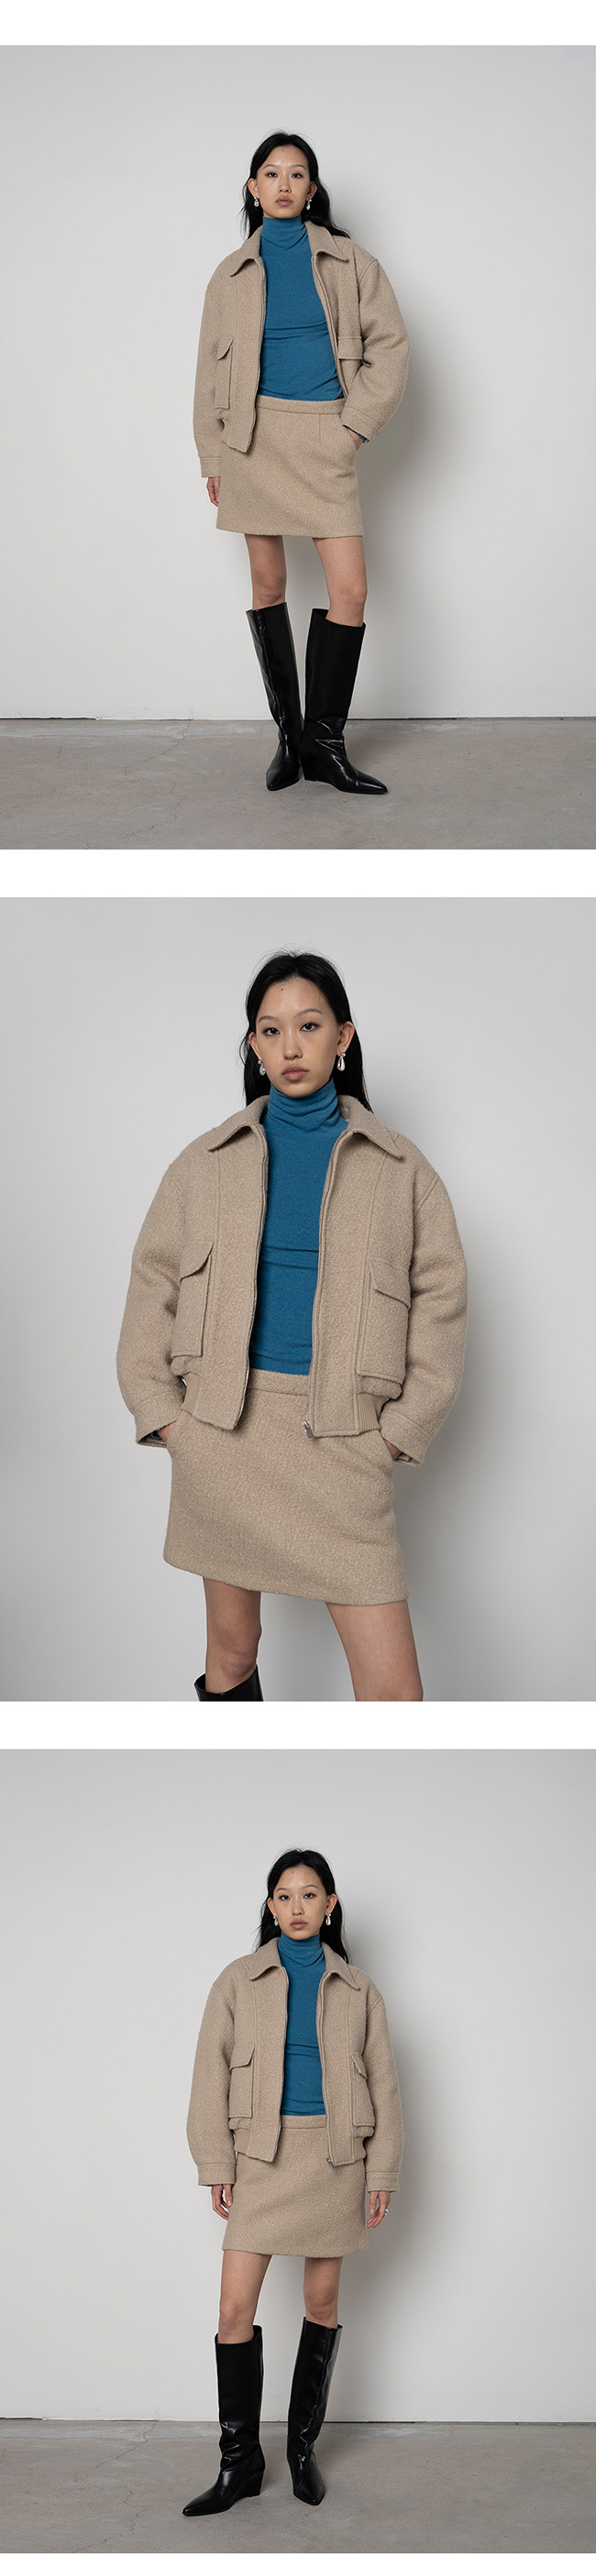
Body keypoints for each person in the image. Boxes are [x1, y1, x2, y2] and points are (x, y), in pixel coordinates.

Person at [116, 948, 468, 1703]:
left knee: (394, 1694)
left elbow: (442, 1300)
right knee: (231, 1654)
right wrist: (169, 1418)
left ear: (343, 1037)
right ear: (254, 1045)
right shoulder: (204, 1162)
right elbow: (151, 1284)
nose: (290, 1046)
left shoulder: (401, 1169)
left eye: (309, 1026)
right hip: (224, 1437)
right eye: (271, 1031)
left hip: (343, 1439)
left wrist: (397, 1432)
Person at [183, 1847, 403, 2516]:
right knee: (233, 2312)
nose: (297, 1906)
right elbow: (208, 2076)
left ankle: (301, 2453)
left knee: (321, 2304)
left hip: (334, 2160)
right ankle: (240, 2463)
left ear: (330, 1904)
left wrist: (381, 2169)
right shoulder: (237, 1980)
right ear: (270, 1905)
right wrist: (217, 2164)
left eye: (310, 1894)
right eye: (284, 1895)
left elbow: (386, 2087)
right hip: (261, 2157)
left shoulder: (359, 1990)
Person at [193, 129, 410, 795]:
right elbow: (207, 374)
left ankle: (325, 742)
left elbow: (391, 347)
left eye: (296, 174)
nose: (283, 184)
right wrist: (212, 454)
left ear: (312, 189)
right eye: (271, 173)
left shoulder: (351, 262)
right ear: (253, 188)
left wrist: (354, 428)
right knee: (267, 587)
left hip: (324, 437)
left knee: (351, 592)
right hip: (252, 439)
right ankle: (291, 742)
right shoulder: (229, 275)